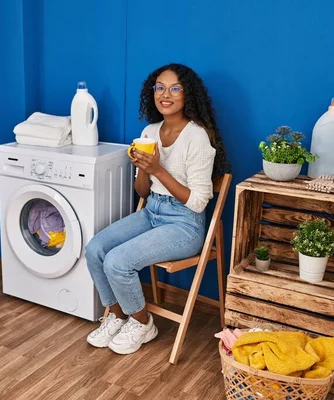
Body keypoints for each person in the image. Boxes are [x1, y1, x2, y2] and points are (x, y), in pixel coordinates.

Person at [84, 63, 229, 355]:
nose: (166, 94)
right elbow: (141, 192)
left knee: (118, 262)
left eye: (175, 88)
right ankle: (116, 313)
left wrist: (158, 169)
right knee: (95, 249)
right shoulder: (149, 131)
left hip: (184, 224)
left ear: (188, 94)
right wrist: (142, 169)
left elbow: (199, 202)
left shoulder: (197, 137)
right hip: (151, 211)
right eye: (159, 87)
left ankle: (142, 322)